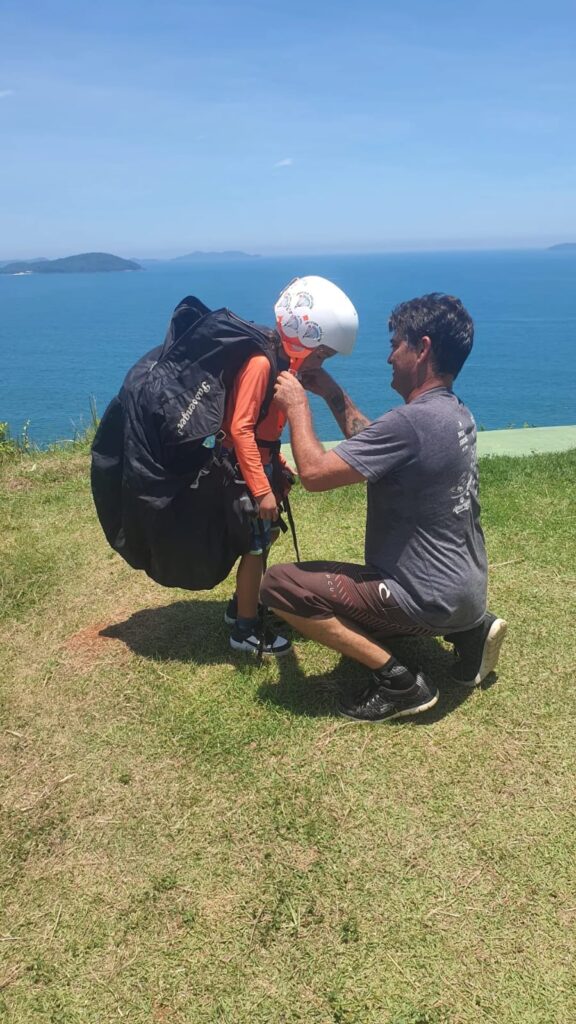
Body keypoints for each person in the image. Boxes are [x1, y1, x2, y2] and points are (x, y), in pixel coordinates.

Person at [260, 292, 507, 721]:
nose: (389, 357)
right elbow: (375, 442)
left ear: (423, 348)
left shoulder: (411, 422)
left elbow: (315, 475)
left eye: (396, 344)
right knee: (349, 602)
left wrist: (298, 407)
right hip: (466, 591)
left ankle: (399, 682)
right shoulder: (453, 414)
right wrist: (332, 392)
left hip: (425, 598)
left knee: (279, 586)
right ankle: (471, 631)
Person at [224, 275, 359, 656]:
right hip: (248, 472)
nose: (321, 362)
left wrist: (277, 464)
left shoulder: (281, 364)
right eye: (322, 354)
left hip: (262, 466)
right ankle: (245, 628)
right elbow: (240, 429)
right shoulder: (260, 365)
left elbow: (266, 429)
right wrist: (261, 489)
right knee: (255, 549)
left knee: (266, 541)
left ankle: (242, 606)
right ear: (303, 338)